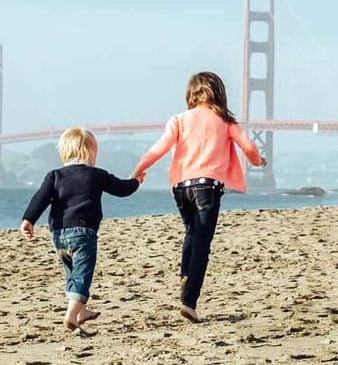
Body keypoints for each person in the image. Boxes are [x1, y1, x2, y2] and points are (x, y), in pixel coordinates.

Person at [131, 71, 266, 323]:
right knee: (202, 243)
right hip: (208, 188)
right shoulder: (225, 121)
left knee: (192, 232)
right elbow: (250, 148)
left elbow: (159, 148)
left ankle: (185, 274)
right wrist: (259, 161)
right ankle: (189, 302)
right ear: (219, 94)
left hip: (181, 188)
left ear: (191, 96)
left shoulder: (179, 120)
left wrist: (138, 169)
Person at [20, 126, 143, 333]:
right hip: (84, 233)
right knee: (83, 275)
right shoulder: (96, 175)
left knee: (72, 274)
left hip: (58, 235)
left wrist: (28, 220)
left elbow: (40, 199)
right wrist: (136, 181)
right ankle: (71, 317)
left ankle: (81, 311)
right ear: (90, 152)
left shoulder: (54, 175)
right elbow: (122, 189)